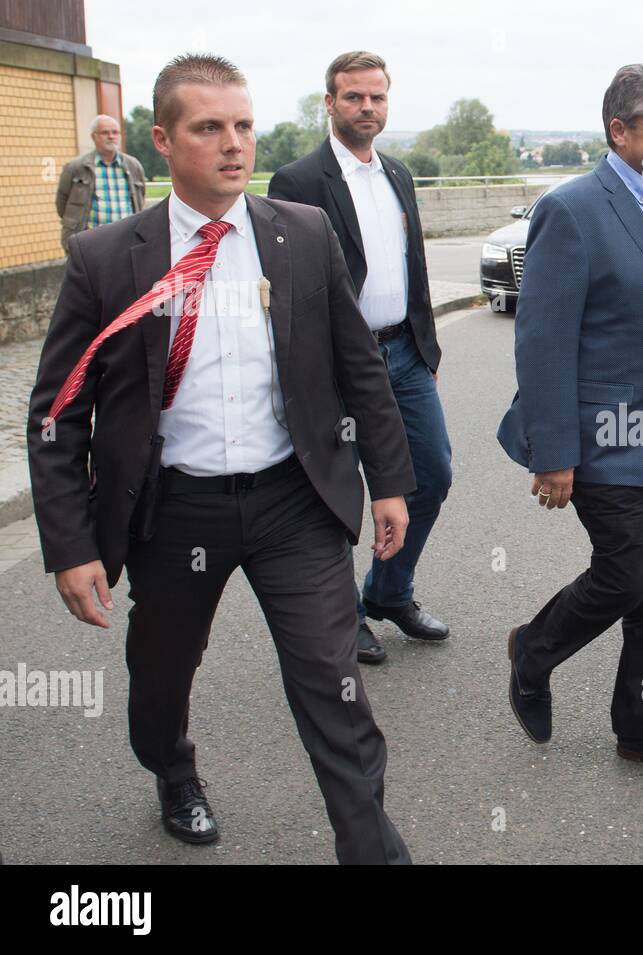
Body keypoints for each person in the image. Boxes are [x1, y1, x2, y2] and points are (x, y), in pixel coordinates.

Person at [27, 54, 415, 864]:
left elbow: (360, 369)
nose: (234, 144)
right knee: (160, 675)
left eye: (243, 125)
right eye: (210, 128)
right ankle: (172, 768)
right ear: (163, 140)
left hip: (294, 502)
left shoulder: (300, 234)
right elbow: (57, 412)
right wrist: (69, 546)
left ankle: (370, 848)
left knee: (332, 682)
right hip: (172, 510)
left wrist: (389, 482)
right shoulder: (105, 258)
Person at [497, 63, 643, 784]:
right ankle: (535, 649)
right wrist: (553, 453)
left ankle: (642, 728)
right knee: (629, 572)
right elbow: (542, 339)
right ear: (619, 130)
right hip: (609, 433)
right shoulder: (572, 210)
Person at [270, 51, 452, 665]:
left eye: (376, 97)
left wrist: (425, 341)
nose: (366, 107)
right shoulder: (298, 182)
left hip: (403, 353)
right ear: (330, 103)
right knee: (337, 492)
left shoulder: (398, 175)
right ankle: (345, 620)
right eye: (353, 97)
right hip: (338, 366)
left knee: (431, 472)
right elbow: (290, 289)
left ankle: (389, 592)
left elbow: (413, 266)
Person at [55, 115, 147, 252]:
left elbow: (140, 199)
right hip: (89, 242)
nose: (111, 136)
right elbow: (62, 202)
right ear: (94, 137)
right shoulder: (76, 167)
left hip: (126, 242)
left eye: (115, 132)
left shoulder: (133, 166)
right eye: (105, 132)